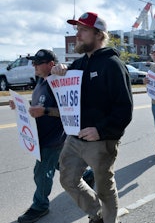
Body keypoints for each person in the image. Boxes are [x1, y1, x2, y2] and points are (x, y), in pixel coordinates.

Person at [51, 12, 133, 223]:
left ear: (98, 34)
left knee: (105, 187)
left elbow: (124, 109)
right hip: (75, 137)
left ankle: (109, 219)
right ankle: (97, 213)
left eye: (83, 30)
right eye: (77, 29)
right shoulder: (78, 64)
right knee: (68, 179)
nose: (77, 35)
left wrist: (101, 130)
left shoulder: (112, 64)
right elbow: (65, 90)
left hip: (101, 140)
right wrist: (60, 71)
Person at [8, 49, 65, 223]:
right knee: (61, 165)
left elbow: (67, 111)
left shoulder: (60, 83)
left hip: (53, 138)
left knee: (41, 172)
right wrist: (20, 105)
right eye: (33, 63)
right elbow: (37, 105)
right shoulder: (40, 81)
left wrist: (45, 111)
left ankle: (40, 206)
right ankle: (87, 174)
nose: (34, 66)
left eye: (38, 63)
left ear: (50, 64)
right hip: (42, 136)